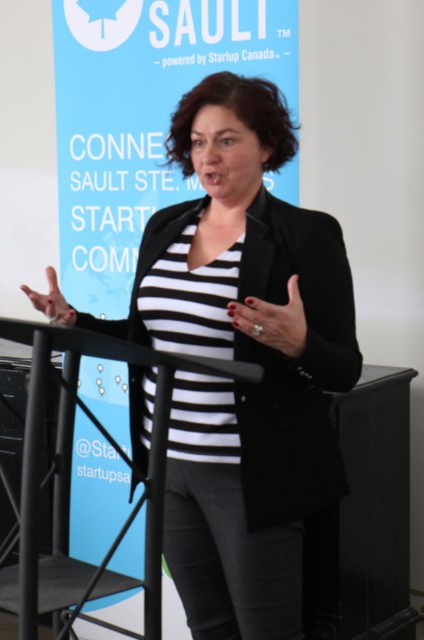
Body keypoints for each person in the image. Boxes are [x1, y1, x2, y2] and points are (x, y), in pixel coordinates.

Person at [22, 71, 362, 640]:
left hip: (250, 476)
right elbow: (147, 339)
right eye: (199, 142)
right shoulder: (166, 227)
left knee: (266, 632)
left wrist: (299, 343)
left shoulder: (305, 235)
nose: (210, 156)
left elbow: (344, 370)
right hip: (167, 468)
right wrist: (74, 320)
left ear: (267, 146)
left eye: (228, 140)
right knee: (208, 626)